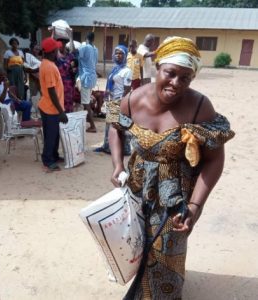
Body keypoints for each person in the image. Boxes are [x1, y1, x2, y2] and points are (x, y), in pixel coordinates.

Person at [108, 36, 235, 299]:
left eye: (185, 78)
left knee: (167, 254)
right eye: (171, 73)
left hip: (175, 196)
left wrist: (195, 206)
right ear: (157, 66)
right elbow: (115, 127)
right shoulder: (132, 100)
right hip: (136, 188)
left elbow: (214, 160)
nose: (176, 83)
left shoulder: (199, 106)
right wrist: (118, 164)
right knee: (136, 246)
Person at [94, 45, 132, 154]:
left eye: (121, 53)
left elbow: (127, 90)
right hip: (112, 100)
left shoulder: (127, 71)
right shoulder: (115, 69)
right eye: (116, 53)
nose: (118, 55)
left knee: (118, 126)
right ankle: (107, 146)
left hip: (119, 101)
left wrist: (122, 105)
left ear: (125, 55)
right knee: (110, 124)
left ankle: (123, 149)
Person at [38, 37, 68, 172]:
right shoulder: (49, 66)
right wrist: (61, 111)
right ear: (51, 52)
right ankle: (48, 160)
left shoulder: (46, 63)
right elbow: (51, 91)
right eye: (57, 49)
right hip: (51, 109)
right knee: (51, 135)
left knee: (54, 134)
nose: (58, 51)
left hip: (49, 106)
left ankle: (54, 156)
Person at [78, 32, 98, 132]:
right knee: (87, 100)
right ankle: (86, 120)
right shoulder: (95, 49)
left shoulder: (84, 47)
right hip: (92, 77)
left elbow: (77, 54)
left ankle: (93, 125)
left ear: (86, 39)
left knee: (86, 103)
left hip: (85, 77)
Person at [56, 28, 77, 113]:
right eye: (59, 45)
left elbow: (74, 68)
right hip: (58, 84)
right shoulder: (55, 57)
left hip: (68, 85)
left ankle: (68, 124)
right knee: (59, 105)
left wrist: (74, 70)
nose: (61, 46)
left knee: (68, 106)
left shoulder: (70, 56)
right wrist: (53, 32)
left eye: (63, 44)